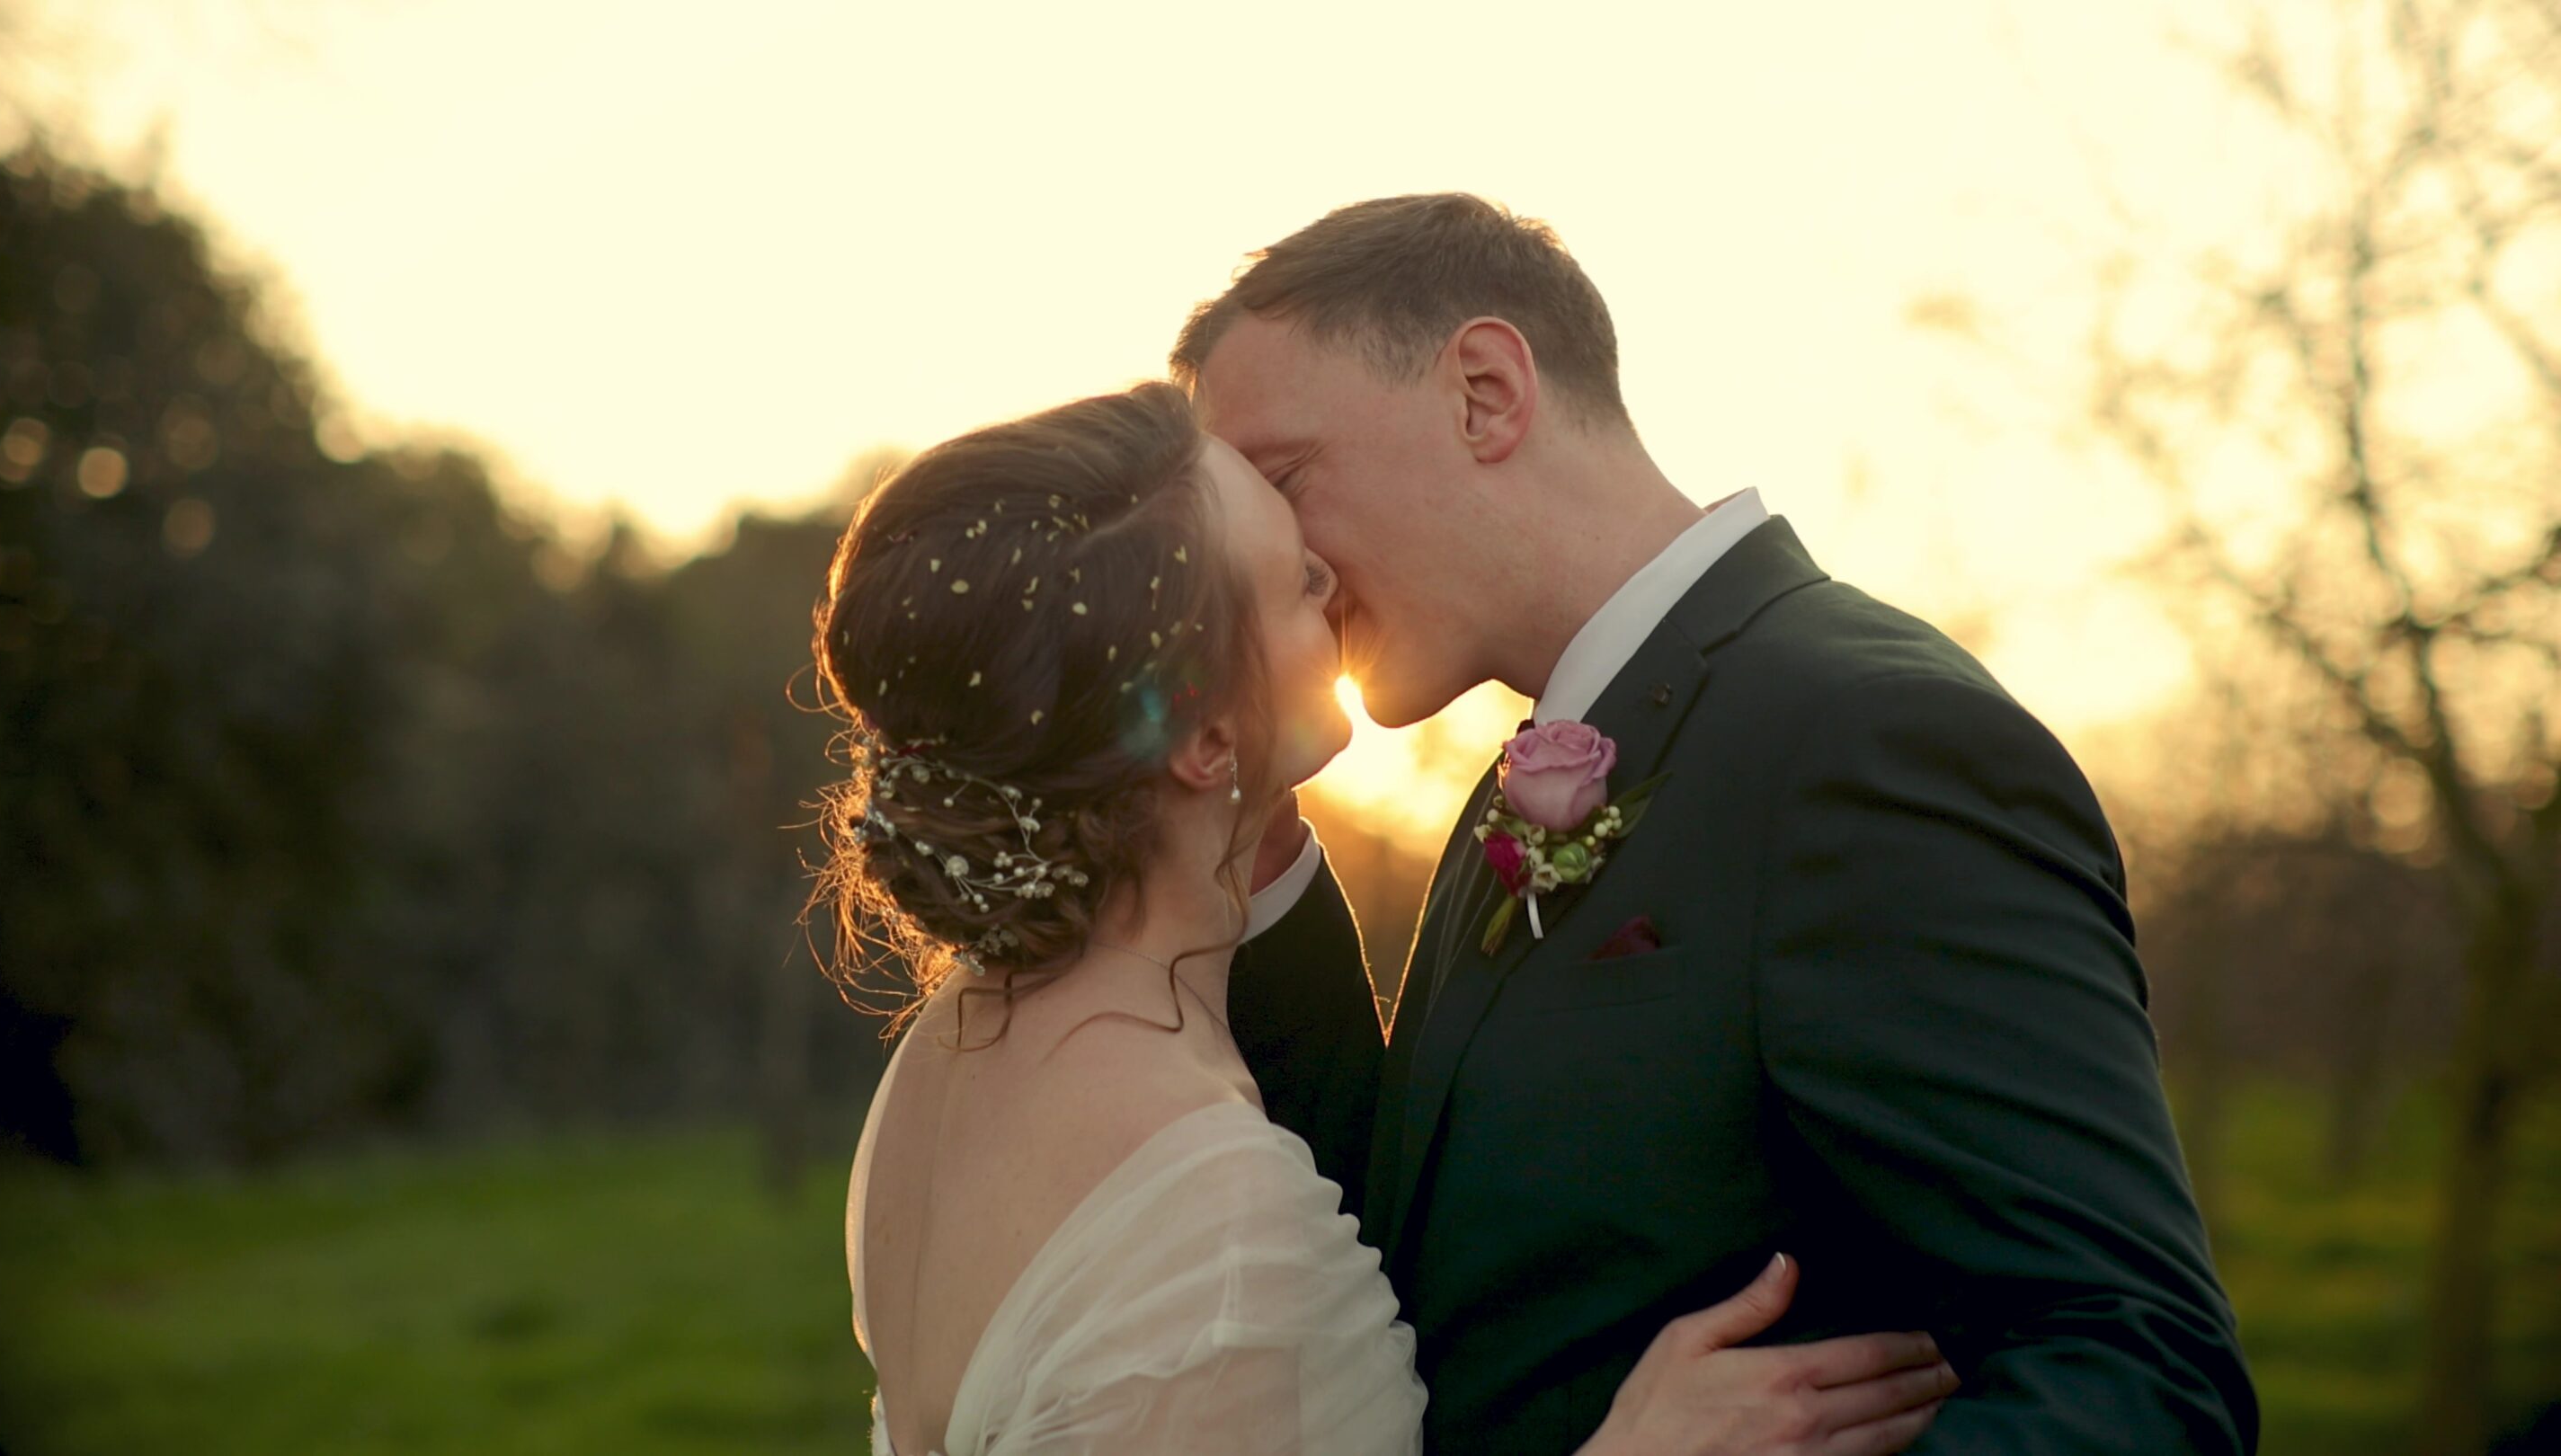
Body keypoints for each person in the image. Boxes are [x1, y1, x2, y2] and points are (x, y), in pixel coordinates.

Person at [1176, 195, 2260, 1455]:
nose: (1276, 565)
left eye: (1282, 483)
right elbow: (1433, 1258)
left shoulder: (1867, 738)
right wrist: (1258, 861)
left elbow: (2140, 1373)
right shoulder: (1525, 776)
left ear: (1485, 393)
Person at [815, 384, 1960, 1455]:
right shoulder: (1212, 1204)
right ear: (1204, 741)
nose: (1332, 580)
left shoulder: (954, 1046)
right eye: (1292, 583)